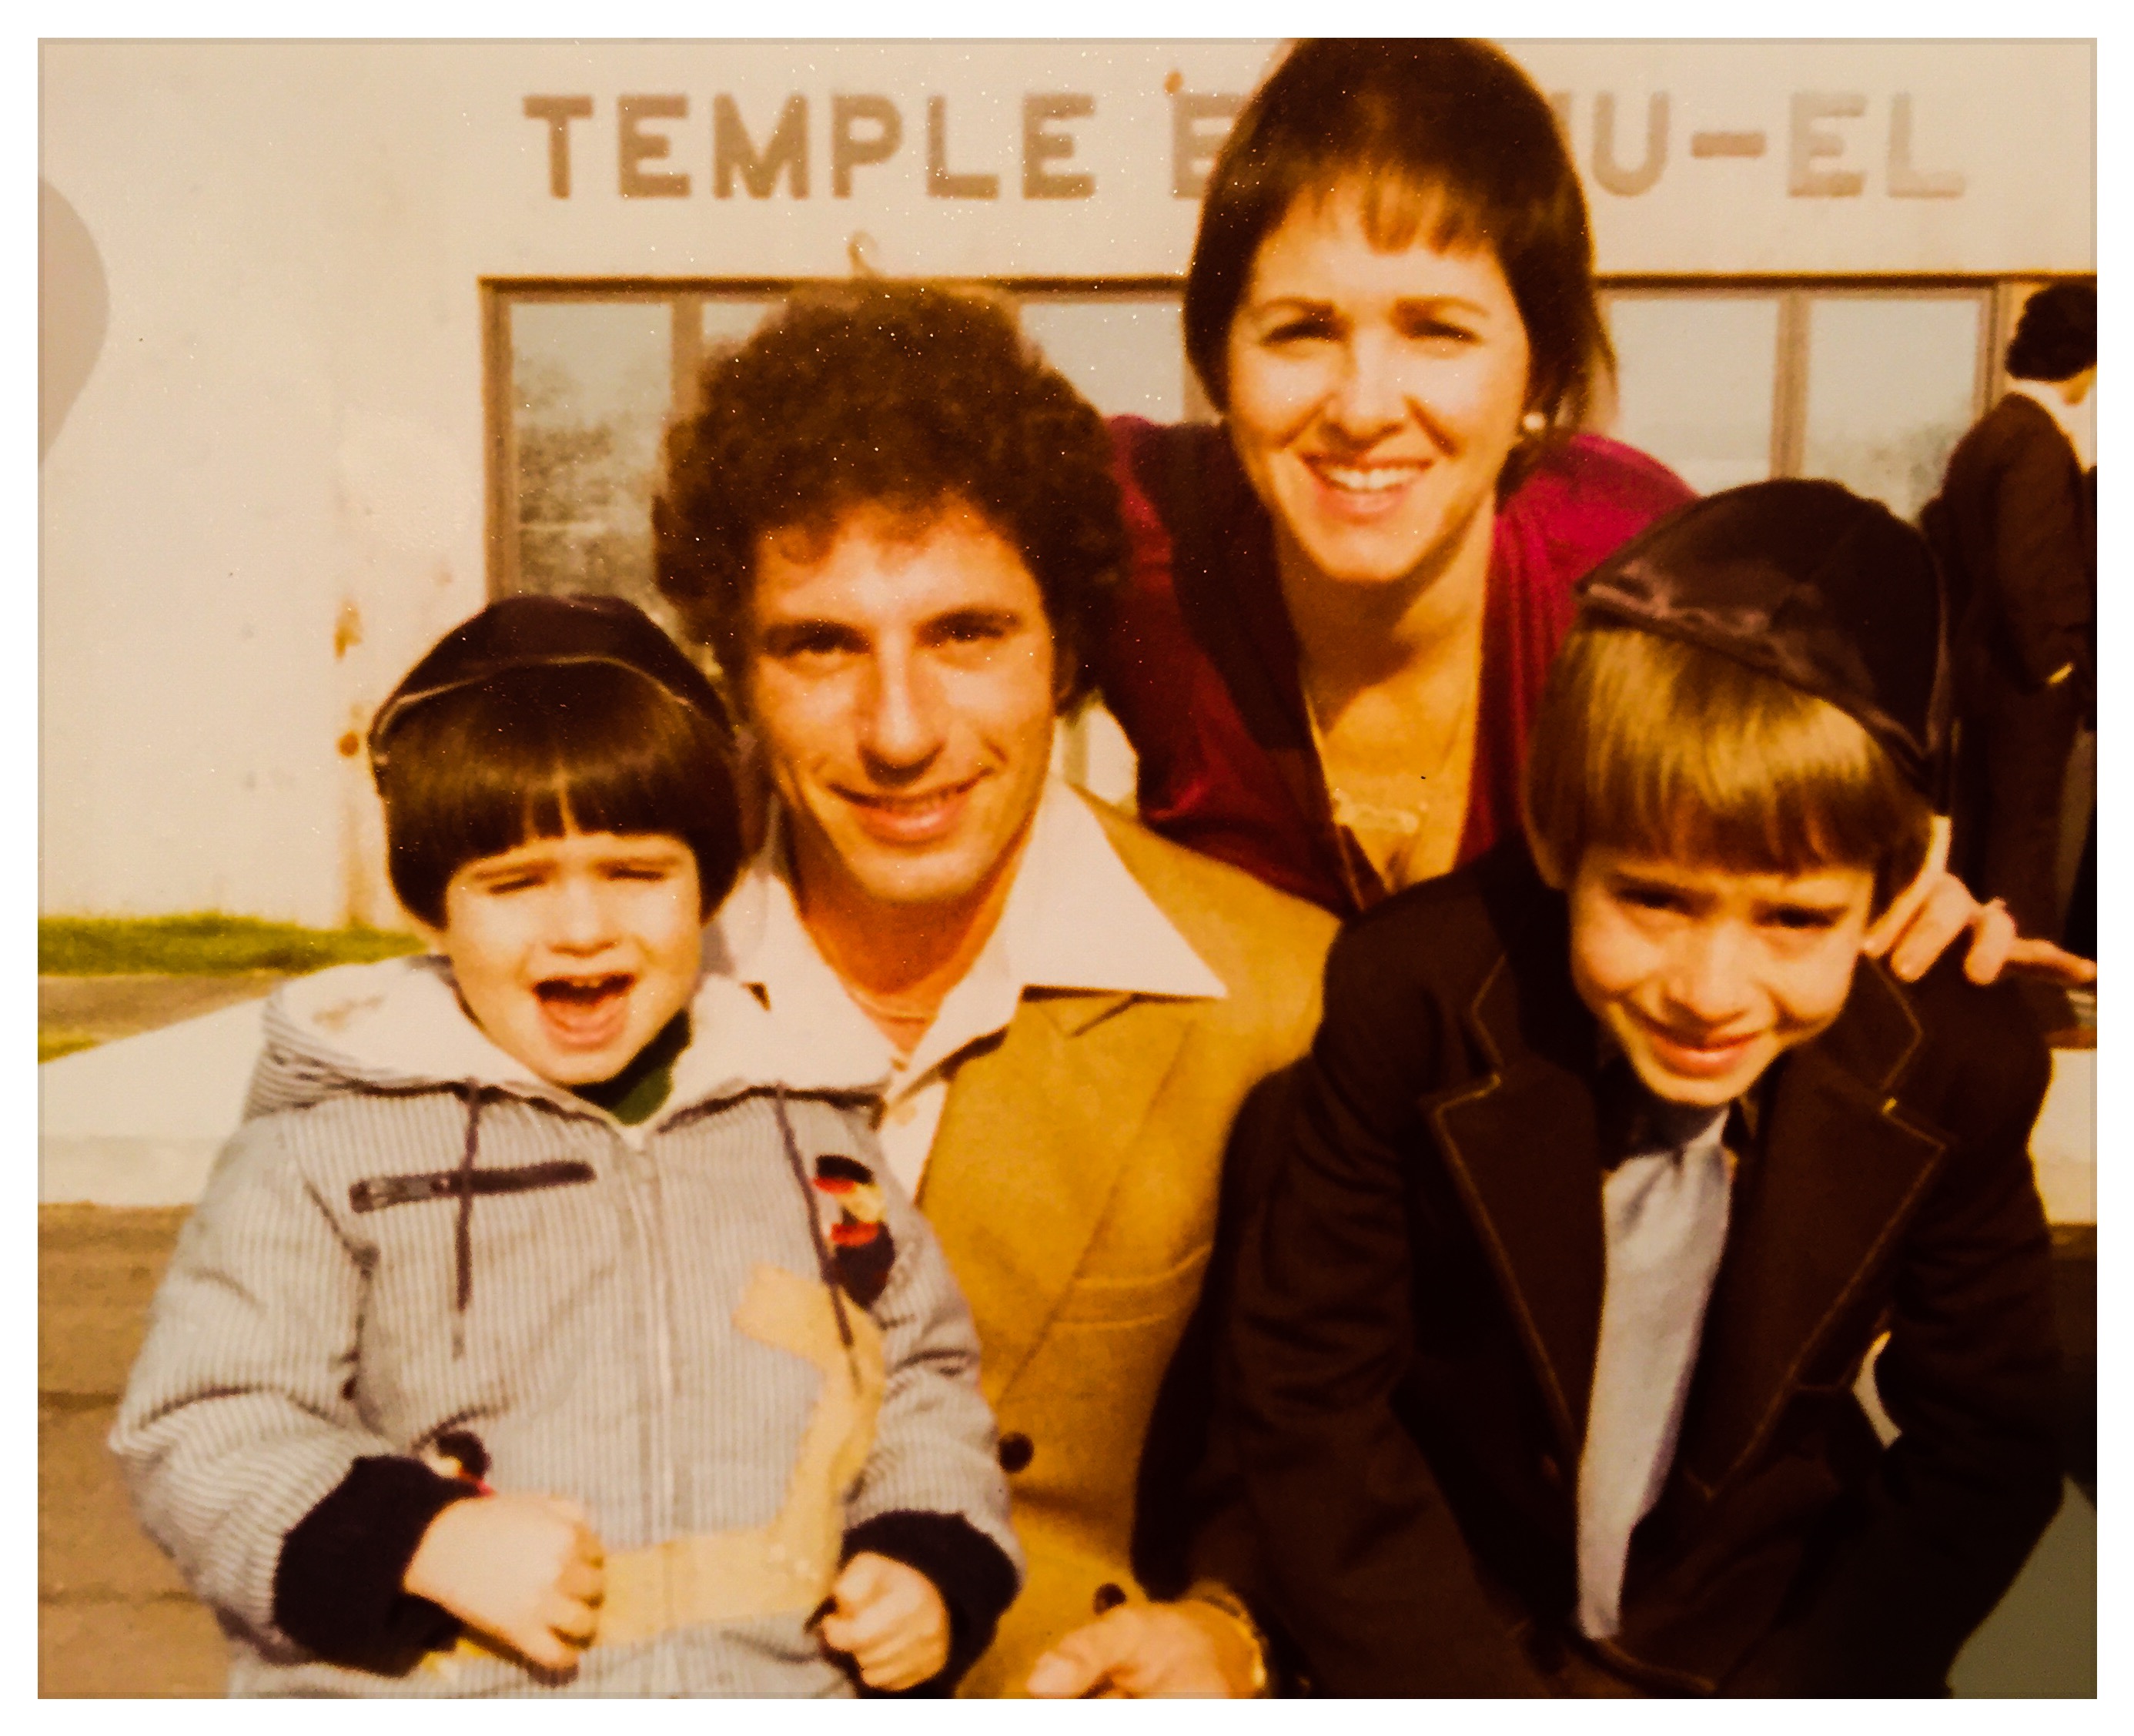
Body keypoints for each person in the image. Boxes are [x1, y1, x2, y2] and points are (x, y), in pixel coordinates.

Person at [1223, 481, 2064, 1694]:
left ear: (1886, 896)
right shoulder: (1413, 991)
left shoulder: (1957, 1060)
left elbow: (1987, 1443)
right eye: (1656, 898)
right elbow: (1312, 1397)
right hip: (1452, 1627)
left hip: (1772, 1645)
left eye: (1795, 917)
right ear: (1559, 840)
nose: (1710, 991)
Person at [112, 594, 1021, 1697]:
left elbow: (915, 1371)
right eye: (516, 883)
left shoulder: (807, 1126)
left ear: (711, 884)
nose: (583, 928)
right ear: (433, 906)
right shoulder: (327, 1149)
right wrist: (418, 1539)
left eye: (636, 873)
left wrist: (927, 1552)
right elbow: (206, 1419)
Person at [653, 282, 1339, 1698]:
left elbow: (1351, 1470)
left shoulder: (1280, 995)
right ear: (738, 669)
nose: (900, 731)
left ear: (1067, 650)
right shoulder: (612, 985)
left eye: (966, 633)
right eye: (820, 644)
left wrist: (1231, 1633)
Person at [1099, 37, 2086, 988]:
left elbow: (1791, 842)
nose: (1362, 406)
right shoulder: (1138, 525)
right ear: (1219, 355)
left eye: (1438, 331)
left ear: (1540, 370)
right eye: (1301, 331)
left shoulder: (1644, 580)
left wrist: (1895, 906)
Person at [1925, 280, 2097, 951]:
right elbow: (2027, 568)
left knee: (1985, 829)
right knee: (2025, 834)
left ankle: (1974, 978)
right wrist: (2055, 665)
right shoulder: (2038, 444)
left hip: (1984, 670)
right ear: (2086, 361)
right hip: (2026, 681)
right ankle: (2021, 983)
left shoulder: (1988, 436)